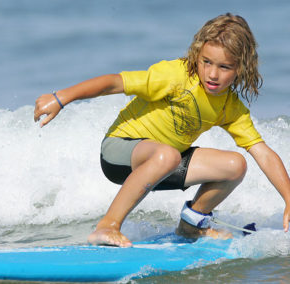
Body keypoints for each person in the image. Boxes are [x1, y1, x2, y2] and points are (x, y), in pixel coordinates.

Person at [33, 13, 290, 247]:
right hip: (120, 151)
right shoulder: (175, 76)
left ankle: (191, 226)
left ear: (241, 68)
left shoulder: (229, 107)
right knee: (167, 155)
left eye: (224, 67)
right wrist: (61, 98)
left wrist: (289, 200)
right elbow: (114, 83)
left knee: (236, 165)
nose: (212, 74)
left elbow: (263, 153)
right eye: (206, 62)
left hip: (165, 164)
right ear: (196, 56)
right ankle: (107, 226)